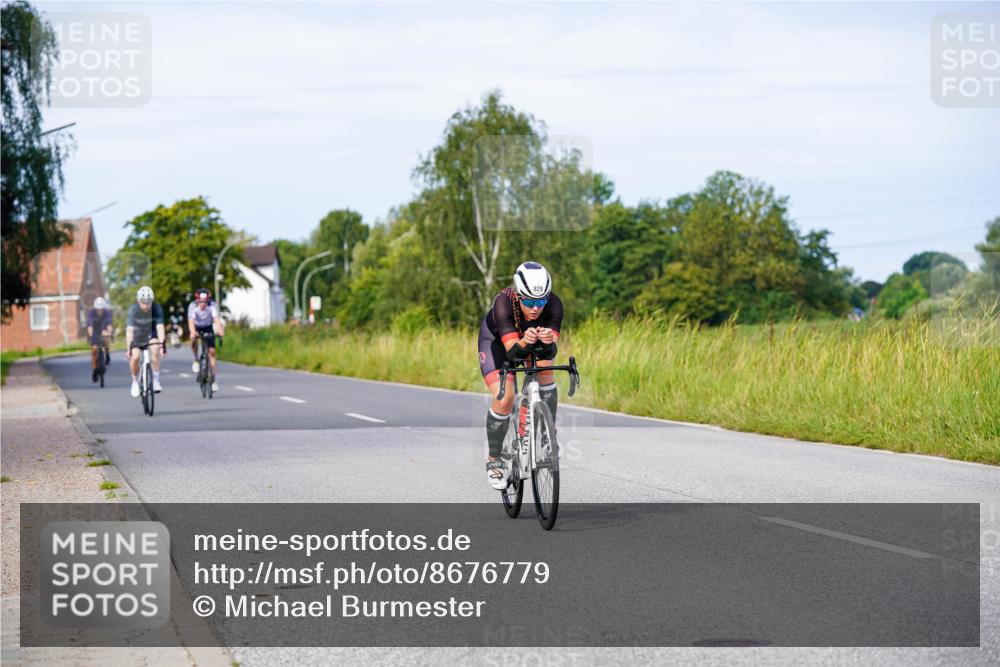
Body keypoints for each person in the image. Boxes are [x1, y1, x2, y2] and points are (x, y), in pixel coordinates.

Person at [477, 261, 563, 489]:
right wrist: (525, 340)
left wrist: (547, 341)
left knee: (545, 370)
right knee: (505, 397)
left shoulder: (554, 304)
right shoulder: (503, 303)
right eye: (529, 301)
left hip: (529, 341)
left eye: (541, 301)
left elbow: (552, 350)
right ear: (518, 294)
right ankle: (494, 460)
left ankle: (546, 436)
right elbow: (513, 351)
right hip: (498, 345)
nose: (536, 308)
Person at [125, 286, 165, 398]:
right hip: (137, 334)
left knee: (155, 347)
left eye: (148, 302)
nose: (146, 305)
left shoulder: (157, 308)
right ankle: (134, 382)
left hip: (150, 333)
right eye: (143, 303)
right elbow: (129, 331)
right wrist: (129, 347)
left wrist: (162, 345)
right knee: (136, 356)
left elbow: (160, 328)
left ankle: (156, 381)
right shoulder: (133, 310)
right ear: (138, 301)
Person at [188, 288, 224, 392]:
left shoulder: (212, 305)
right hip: (197, 326)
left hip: (208, 326)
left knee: (212, 353)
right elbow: (191, 322)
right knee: (193, 339)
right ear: (197, 300)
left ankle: (213, 379)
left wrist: (220, 330)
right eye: (201, 302)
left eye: (205, 302)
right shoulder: (193, 306)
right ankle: (196, 359)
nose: (203, 304)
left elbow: (216, 320)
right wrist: (193, 332)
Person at [87, 297, 113, 382]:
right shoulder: (91, 313)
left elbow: (109, 325)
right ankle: (94, 370)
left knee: (106, 339)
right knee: (94, 350)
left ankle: (108, 355)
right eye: (98, 309)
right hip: (94, 332)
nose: (100, 311)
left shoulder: (107, 313)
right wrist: (91, 336)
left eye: (101, 309)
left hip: (103, 331)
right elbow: (90, 326)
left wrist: (109, 332)